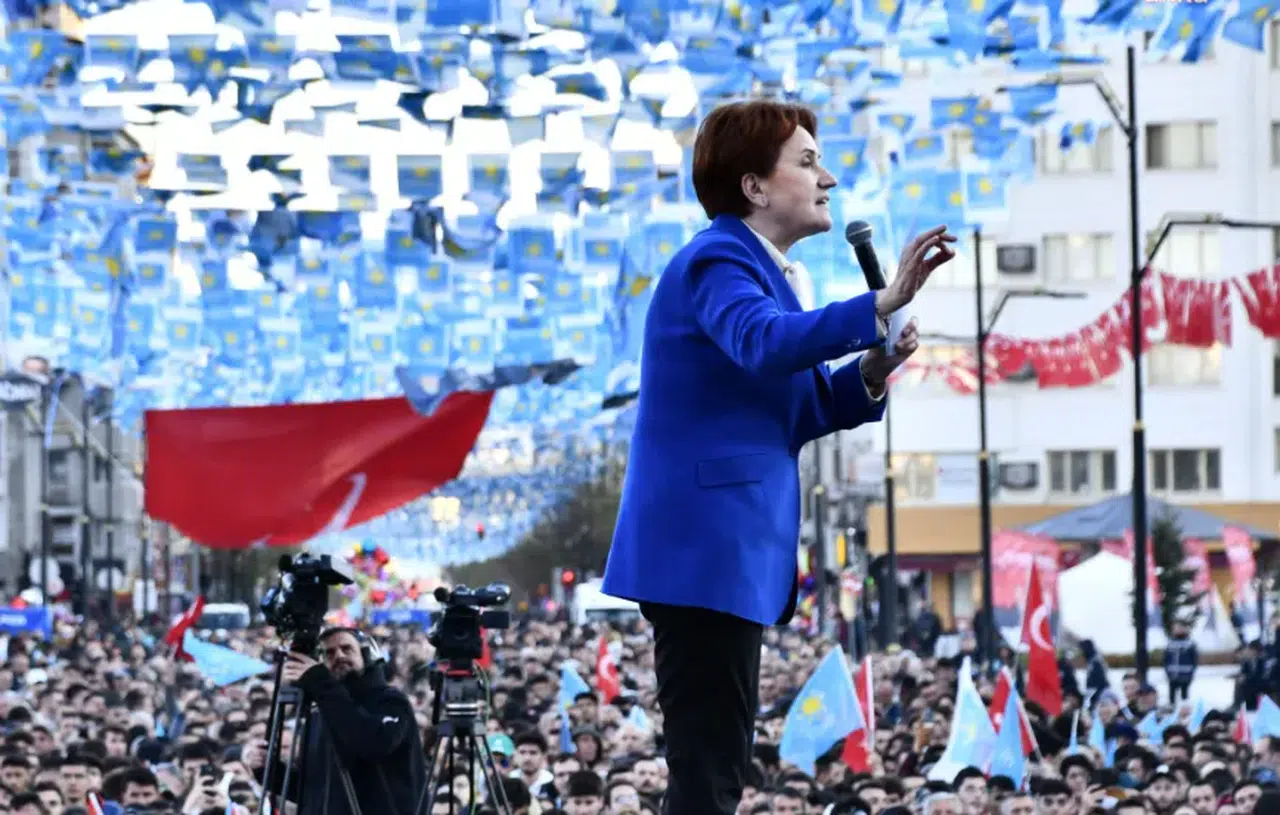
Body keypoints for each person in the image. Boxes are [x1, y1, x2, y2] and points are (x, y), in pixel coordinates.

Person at [602, 99, 956, 815]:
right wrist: (877, 304)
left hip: (723, 557)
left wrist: (870, 369)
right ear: (755, 187)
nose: (827, 177)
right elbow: (765, 344)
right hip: (703, 553)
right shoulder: (718, 258)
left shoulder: (768, 273)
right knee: (708, 774)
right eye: (806, 162)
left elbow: (793, 411)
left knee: (716, 768)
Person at [265, 627, 424, 815]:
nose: (339, 656)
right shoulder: (318, 713)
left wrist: (321, 683)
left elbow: (372, 743)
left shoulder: (390, 701)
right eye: (329, 653)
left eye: (347, 649)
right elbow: (315, 791)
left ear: (365, 655)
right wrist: (269, 772)